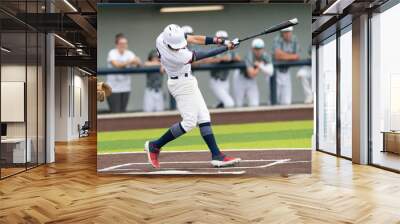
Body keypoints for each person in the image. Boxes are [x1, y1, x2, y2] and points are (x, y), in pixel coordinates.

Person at [145, 24, 241, 168]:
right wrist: (226, 47)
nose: (179, 47)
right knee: (189, 122)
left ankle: (217, 155)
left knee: (204, 116)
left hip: (188, 80)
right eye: (176, 46)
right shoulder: (178, 56)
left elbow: (195, 38)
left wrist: (221, 41)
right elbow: (202, 55)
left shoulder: (162, 38)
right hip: (180, 85)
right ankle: (155, 145)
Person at [106, 33, 141, 113]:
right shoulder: (112, 53)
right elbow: (116, 64)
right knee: (115, 112)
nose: (123, 45)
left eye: (125, 43)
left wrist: (137, 61)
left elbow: (138, 62)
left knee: (123, 112)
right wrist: (130, 62)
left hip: (125, 87)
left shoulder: (129, 53)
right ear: (117, 44)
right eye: (121, 43)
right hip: (113, 88)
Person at [233, 38, 273, 107]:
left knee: (255, 103)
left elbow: (271, 72)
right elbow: (251, 74)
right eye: (256, 49)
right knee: (238, 104)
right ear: (252, 49)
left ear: (263, 49)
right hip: (240, 78)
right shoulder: (249, 56)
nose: (258, 51)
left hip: (251, 81)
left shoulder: (265, 55)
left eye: (260, 49)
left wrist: (260, 65)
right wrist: (260, 66)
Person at [207, 30, 240, 108]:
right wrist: (221, 59)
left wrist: (231, 58)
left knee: (222, 104)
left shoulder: (228, 49)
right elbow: (206, 60)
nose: (223, 41)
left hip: (225, 81)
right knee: (229, 103)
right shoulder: (213, 49)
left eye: (225, 38)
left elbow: (238, 58)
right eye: (221, 39)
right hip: (216, 81)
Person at [272, 26, 300, 105]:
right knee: (274, 100)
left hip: (286, 72)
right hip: (275, 73)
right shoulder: (277, 39)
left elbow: (297, 56)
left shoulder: (294, 39)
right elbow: (277, 56)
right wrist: (291, 56)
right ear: (282, 33)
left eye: (289, 32)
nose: (287, 34)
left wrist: (283, 55)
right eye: (285, 32)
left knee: (287, 102)